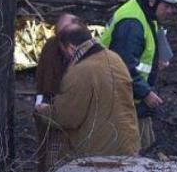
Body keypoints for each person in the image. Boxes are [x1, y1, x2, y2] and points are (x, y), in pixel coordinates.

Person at [99, 0, 177, 152]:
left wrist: (156, 60)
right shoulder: (132, 24)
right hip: (123, 103)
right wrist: (146, 93)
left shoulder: (144, 14)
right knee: (133, 153)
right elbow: (122, 66)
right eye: (167, 6)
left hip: (131, 100)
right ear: (152, 1)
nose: (170, 12)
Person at [35, 24, 139, 158]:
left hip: (100, 154)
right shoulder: (115, 58)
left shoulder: (80, 72)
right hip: (128, 147)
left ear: (72, 48)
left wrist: (43, 110)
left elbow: (67, 117)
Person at [34, 13, 78, 172]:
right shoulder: (50, 48)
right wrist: (39, 104)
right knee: (49, 159)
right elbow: (41, 80)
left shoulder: (85, 52)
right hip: (52, 112)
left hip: (73, 116)